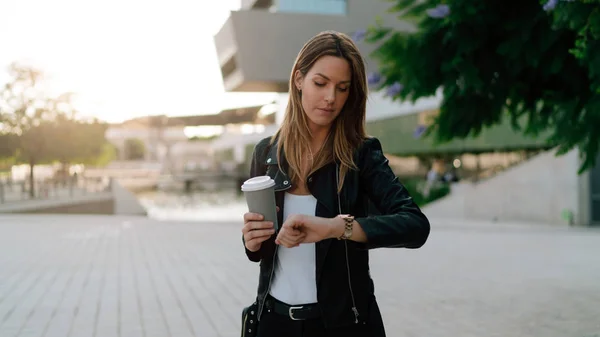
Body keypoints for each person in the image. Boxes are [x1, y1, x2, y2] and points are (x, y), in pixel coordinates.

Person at [241, 30, 430, 337]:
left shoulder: (361, 154)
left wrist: (335, 227)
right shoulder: (266, 153)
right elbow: (263, 250)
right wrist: (251, 242)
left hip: (342, 324)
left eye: (342, 88)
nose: (331, 98)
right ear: (299, 79)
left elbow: (415, 226)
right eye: (321, 83)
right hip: (273, 323)